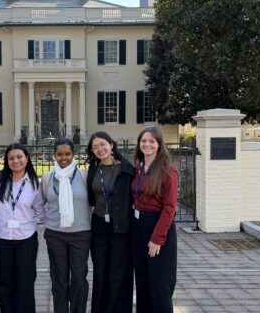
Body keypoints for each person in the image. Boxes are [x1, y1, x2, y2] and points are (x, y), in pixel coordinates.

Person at [0, 143, 45, 313]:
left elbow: (40, 210)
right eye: (11, 158)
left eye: (19, 157)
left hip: (26, 239)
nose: (16, 161)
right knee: (4, 283)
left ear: (27, 158)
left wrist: (54, 229)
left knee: (25, 283)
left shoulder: (35, 183)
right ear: (6, 161)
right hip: (1, 238)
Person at [131, 126, 178, 313]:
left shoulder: (168, 171)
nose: (147, 144)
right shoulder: (138, 168)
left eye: (151, 141)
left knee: (159, 283)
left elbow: (169, 209)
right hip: (138, 226)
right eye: (143, 141)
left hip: (157, 227)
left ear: (159, 144)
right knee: (142, 280)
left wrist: (157, 238)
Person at [86, 131, 134, 313]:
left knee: (117, 275)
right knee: (100, 273)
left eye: (103, 144)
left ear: (111, 145)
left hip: (120, 229)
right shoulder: (93, 168)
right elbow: (91, 198)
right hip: (98, 227)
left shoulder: (126, 169)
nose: (100, 149)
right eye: (95, 146)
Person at [41, 138, 91, 313]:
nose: (64, 158)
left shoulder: (84, 175)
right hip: (56, 235)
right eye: (60, 154)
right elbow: (40, 204)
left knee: (78, 278)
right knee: (59, 279)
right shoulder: (48, 178)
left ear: (73, 154)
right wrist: (46, 221)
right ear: (54, 155)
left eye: (67, 154)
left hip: (81, 234)